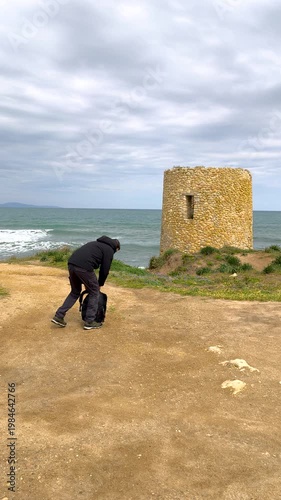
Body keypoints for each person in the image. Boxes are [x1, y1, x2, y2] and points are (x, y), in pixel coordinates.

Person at [51, 236, 120, 330]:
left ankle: (59, 316)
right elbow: (104, 269)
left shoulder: (94, 244)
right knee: (94, 292)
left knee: (75, 292)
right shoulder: (109, 250)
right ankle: (90, 321)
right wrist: (100, 283)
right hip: (84, 267)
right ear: (116, 247)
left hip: (72, 264)